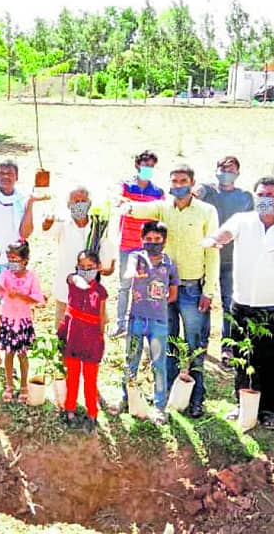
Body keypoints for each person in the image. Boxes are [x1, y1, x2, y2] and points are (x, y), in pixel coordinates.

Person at [202, 176, 274, 430]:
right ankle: (243, 404)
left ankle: (269, 410)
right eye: (260, 195)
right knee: (243, 356)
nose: (265, 199)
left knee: (272, 360)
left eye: (270, 195)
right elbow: (224, 233)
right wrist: (215, 239)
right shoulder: (242, 221)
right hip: (244, 303)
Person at [124, 163, 219, 419]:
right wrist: (126, 206)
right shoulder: (164, 207)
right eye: (174, 181)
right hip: (162, 290)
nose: (178, 185)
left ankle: (196, 398)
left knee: (194, 345)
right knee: (167, 345)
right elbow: (144, 209)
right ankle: (167, 399)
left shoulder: (207, 212)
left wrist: (208, 290)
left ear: (192, 182)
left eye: (182, 181)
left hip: (192, 288)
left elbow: (212, 252)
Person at [0, 160, 42, 371]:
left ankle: (14, 352)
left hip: (14, 265)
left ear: (16, 177)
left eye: (10, 173)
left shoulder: (22, 200)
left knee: (15, 309)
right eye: (1, 172)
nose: (5, 176)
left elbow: (25, 233)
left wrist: (30, 204)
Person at [195, 155, 254, 366]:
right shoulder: (208, 191)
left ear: (237, 173)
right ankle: (199, 345)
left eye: (230, 168)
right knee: (203, 301)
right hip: (205, 259)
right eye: (222, 167)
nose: (226, 172)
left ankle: (227, 348)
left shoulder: (246, 197)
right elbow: (196, 193)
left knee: (230, 305)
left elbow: (250, 226)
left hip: (231, 261)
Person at [121, 221, 179, 423]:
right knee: (131, 359)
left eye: (157, 240)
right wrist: (131, 274)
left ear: (164, 241)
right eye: (148, 239)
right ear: (142, 240)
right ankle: (127, 398)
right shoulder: (136, 258)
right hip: (136, 319)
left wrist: (156, 302)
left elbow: (172, 294)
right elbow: (129, 270)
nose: (153, 243)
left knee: (159, 364)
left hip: (159, 322)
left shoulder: (169, 264)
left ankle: (159, 406)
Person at [42, 186, 115, 329]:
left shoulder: (98, 225)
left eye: (83, 201)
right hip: (66, 291)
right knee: (63, 334)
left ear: (89, 204)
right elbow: (46, 230)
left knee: (93, 334)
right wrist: (48, 221)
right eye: (76, 201)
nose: (80, 204)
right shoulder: (62, 224)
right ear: (69, 205)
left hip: (92, 290)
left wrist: (108, 267)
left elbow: (107, 255)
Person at [114, 150, 165, 338]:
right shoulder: (126, 186)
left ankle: (142, 324)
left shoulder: (158, 192)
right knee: (125, 285)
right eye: (145, 165)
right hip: (127, 244)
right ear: (137, 165)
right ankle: (121, 324)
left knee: (146, 286)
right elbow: (118, 199)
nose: (148, 169)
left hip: (147, 247)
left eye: (152, 166)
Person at [59, 250, 109, 433]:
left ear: (98, 268)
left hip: (92, 342)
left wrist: (101, 339)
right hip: (74, 339)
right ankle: (69, 410)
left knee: (90, 380)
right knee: (72, 377)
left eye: (90, 267)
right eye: (82, 267)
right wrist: (78, 278)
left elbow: (102, 319)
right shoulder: (73, 282)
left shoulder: (101, 292)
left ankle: (92, 414)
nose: (86, 270)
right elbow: (71, 278)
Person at [0, 240, 45, 403]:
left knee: (22, 354)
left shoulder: (31, 277)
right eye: (9, 259)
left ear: (24, 260)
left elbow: (38, 298)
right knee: (9, 353)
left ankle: (23, 385)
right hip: (8, 320)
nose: (11, 263)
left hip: (23, 321)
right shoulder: (5, 274)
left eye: (14, 259)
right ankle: (9, 385)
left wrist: (21, 295)